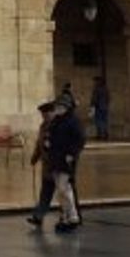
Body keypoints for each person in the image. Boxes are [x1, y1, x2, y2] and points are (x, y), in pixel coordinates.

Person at [48, 91, 86, 233]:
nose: (57, 108)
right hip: (55, 158)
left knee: (65, 188)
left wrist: (72, 153)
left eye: (60, 106)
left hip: (66, 159)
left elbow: (80, 139)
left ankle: (73, 216)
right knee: (60, 190)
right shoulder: (56, 120)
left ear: (66, 107)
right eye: (57, 106)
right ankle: (64, 216)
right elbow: (51, 134)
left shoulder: (73, 121)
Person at [27, 101, 57, 228]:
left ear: (52, 112)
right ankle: (38, 216)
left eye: (46, 113)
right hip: (47, 165)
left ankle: (71, 216)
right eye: (42, 114)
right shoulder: (43, 126)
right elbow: (39, 144)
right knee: (45, 192)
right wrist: (35, 157)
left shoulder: (58, 126)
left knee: (64, 193)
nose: (44, 116)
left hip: (58, 165)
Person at [90, 76, 110, 141]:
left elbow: (94, 99)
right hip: (105, 107)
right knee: (104, 121)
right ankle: (105, 133)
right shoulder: (106, 89)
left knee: (98, 121)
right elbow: (108, 98)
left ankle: (100, 134)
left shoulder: (97, 89)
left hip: (98, 107)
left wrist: (92, 105)